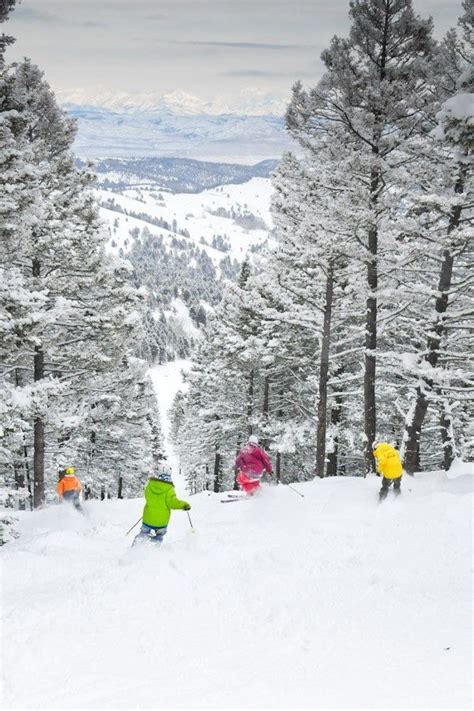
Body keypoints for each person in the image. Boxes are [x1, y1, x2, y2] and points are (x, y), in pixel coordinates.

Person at [133, 471, 191, 546]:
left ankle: (136, 546)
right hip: (161, 522)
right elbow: (173, 503)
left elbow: (148, 497)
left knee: (143, 533)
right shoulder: (169, 489)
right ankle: (155, 548)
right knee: (159, 535)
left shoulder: (150, 486)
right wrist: (184, 505)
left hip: (148, 518)